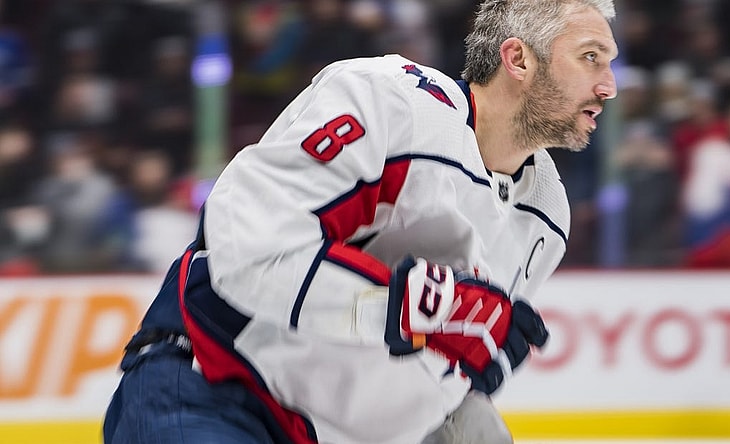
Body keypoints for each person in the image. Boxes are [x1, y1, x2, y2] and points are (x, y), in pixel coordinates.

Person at [102, 0, 618, 443]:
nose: (609, 86)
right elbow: (249, 248)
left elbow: (436, 353)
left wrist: (455, 413)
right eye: (590, 58)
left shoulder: (547, 214)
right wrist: (414, 309)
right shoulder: (391, 101)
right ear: (518, 59)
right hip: (213, 386)